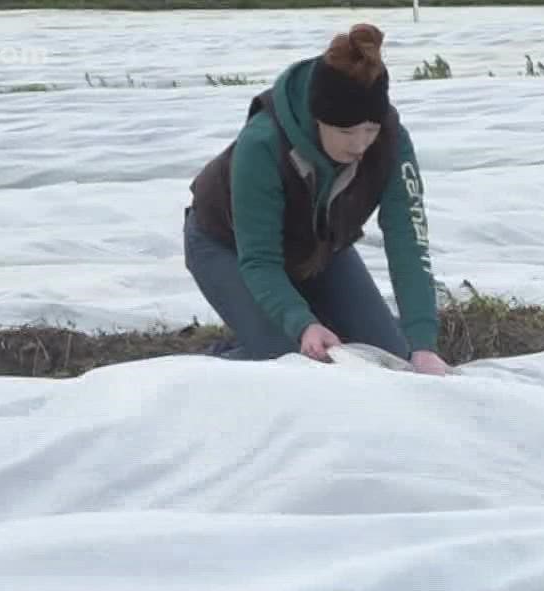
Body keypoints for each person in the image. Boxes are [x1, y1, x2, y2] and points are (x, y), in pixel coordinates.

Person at [183, 23, 450, 374]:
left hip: (317, 249)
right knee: (292, 364)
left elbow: (408, 244)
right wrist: (302, 323)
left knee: (392, 362)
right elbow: (260, 260)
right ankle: (215, 366)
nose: (359, 145)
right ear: (317, 119)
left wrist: (423, 343)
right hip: (226, 245)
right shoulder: (263, 144)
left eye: (370, 130)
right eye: (345, 131)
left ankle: (264, 336)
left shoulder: (391, 143)